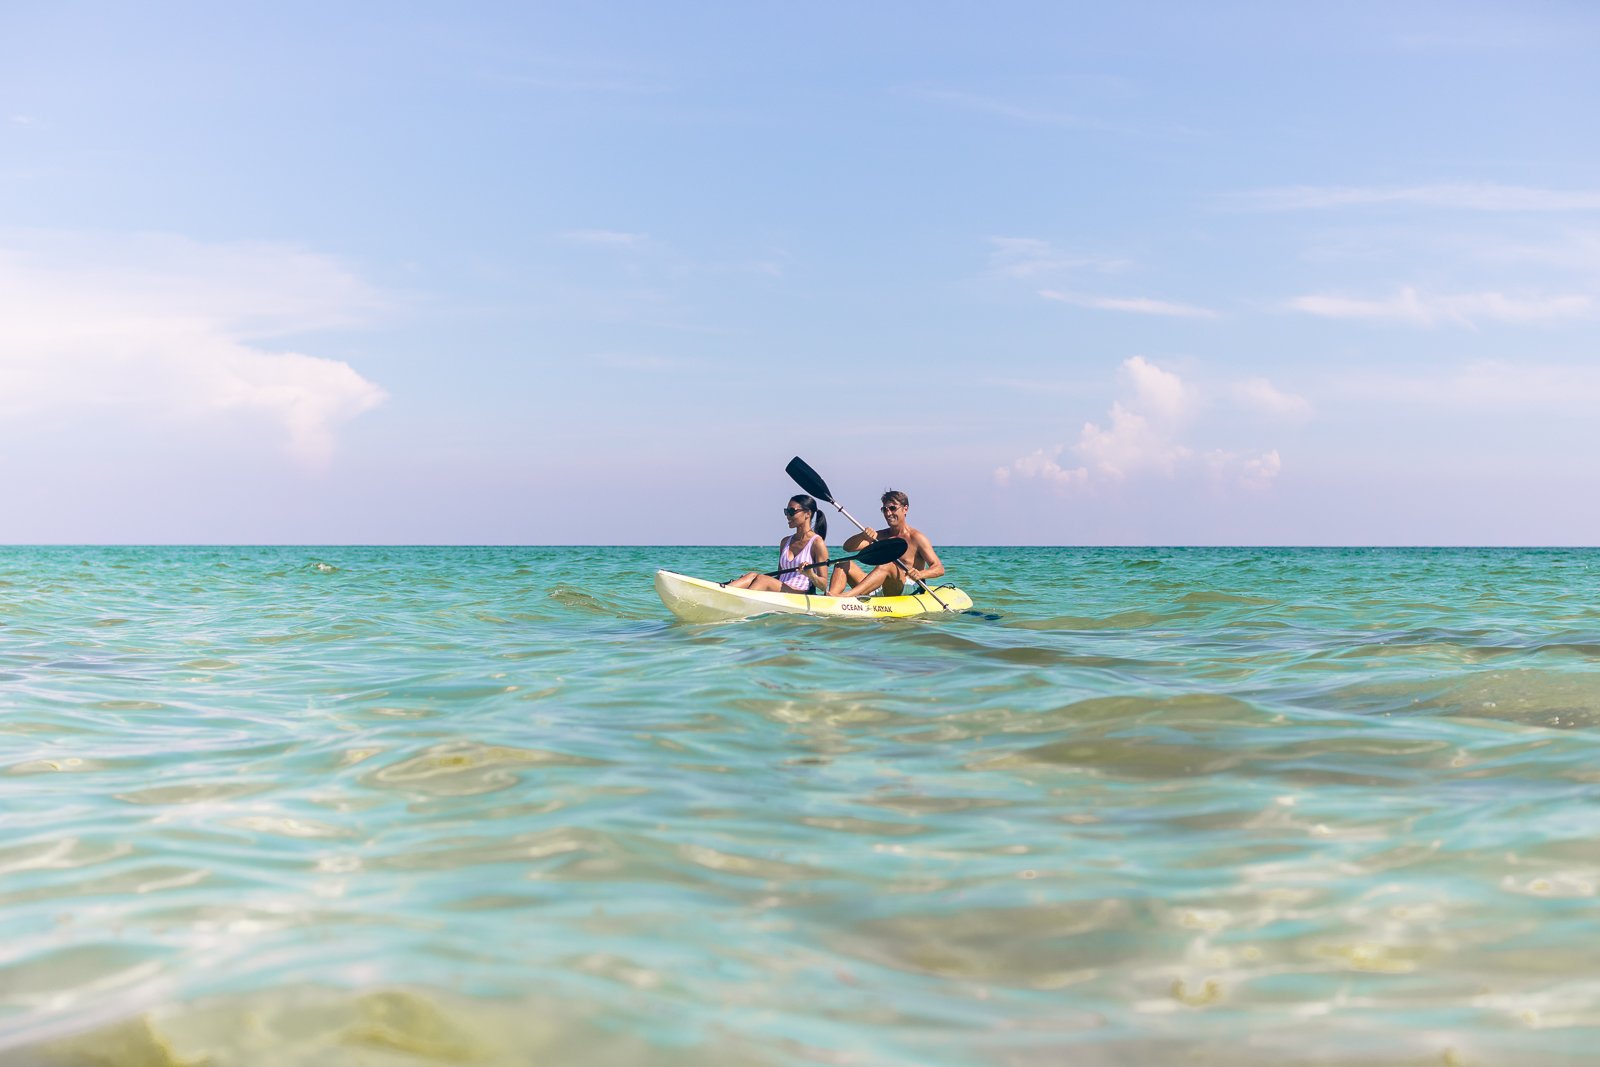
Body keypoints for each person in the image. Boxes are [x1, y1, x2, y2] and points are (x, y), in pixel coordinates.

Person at [827, 489, 944, 598]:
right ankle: (831, 597)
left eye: (893, 508)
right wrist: (862, 536)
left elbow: (939, 568)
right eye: (885, 509)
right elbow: (847, 548)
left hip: (909, 588)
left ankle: (847, 597)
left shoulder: (917, 538)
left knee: (888, 564)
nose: (888, 513)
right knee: (842, 563)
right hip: (883, 587)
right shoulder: (880, 536)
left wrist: (921, 574)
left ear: (905, 509)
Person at [726, 495, 831, 593]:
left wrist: (811, 574)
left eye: (791, 511)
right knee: (752, 575)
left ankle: (741, 602)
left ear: (807, 514)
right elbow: (780, 577)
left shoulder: (817, 542)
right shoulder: (785, 542)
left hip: (800, 594)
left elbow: (823, 585)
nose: (787, 516)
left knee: (762, 579)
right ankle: (725, 591)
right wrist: (751, 580)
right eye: (786, 511)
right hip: (782, 590)